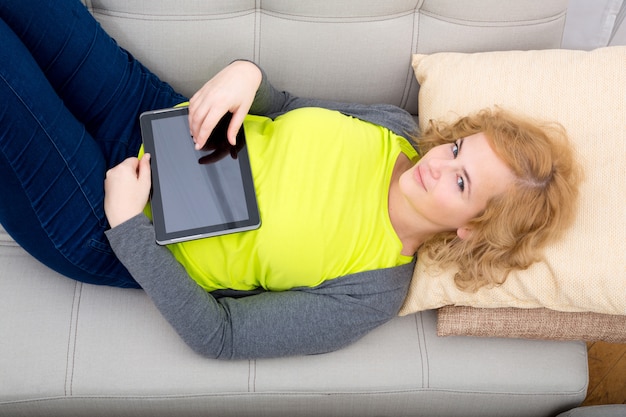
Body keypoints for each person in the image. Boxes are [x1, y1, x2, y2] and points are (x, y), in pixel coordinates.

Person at [0, 0, 580, 359]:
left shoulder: (373, 291)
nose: (438, 164)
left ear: (471, 230)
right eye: (457, 149)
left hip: (105, 224)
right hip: (150, 114)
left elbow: (220, 336)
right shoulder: (396, 129)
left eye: (461, 183)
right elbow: (288, 106)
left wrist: (127, 225)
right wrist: (247, 74)